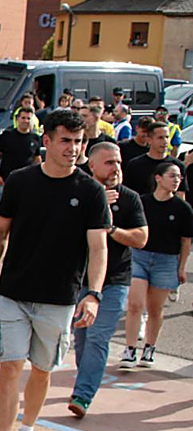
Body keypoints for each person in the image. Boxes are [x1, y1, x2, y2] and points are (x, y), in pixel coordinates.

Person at [0, 110, 110, 431]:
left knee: (42, 369)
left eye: (79, 141)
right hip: (15, 293)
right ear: (48, 141)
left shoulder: (90, 191)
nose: (73, 148)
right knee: (10, 367)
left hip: (60, 298)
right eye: (66, 140)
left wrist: (94, 294)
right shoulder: (21, 182)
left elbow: (98, 249)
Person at [68, 142, 147, 416]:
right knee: (82, 338)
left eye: (119, 162)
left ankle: (82, 394)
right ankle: (85, 378)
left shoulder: (130, 198)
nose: (116, 168)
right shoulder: (79, 192)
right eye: (110, 163)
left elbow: (140, 238)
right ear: (92, 165)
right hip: (79, 280)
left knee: (98, 338)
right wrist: (97, 204)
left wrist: (111, 228)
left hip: (115, 280)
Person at [120, 160, 192, 368]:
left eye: (179, 177)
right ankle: (130, 348)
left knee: (155, 308)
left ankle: (149, 348)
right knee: (135, 304)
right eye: (172, 176)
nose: (177, 180)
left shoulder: (182, 208)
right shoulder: (142, 202)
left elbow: (186, 241)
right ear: (158, 178)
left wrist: (181, 267)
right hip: (139, 256)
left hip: (166, 259)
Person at [125, 120, 189, 200]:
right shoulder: (134, 165)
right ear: (149, 139)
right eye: (160, 138)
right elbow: (128, 194)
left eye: (167, 137)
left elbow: (181, 194)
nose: (165, 141)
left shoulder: (177, 165)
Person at [0, 107, 42, 197]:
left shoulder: (35, 138)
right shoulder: (7, 135)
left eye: (28, 118)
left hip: (26, 181)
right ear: (17, 119)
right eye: (23, 118)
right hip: (6, 180)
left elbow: (37, 159)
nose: (25, 121)